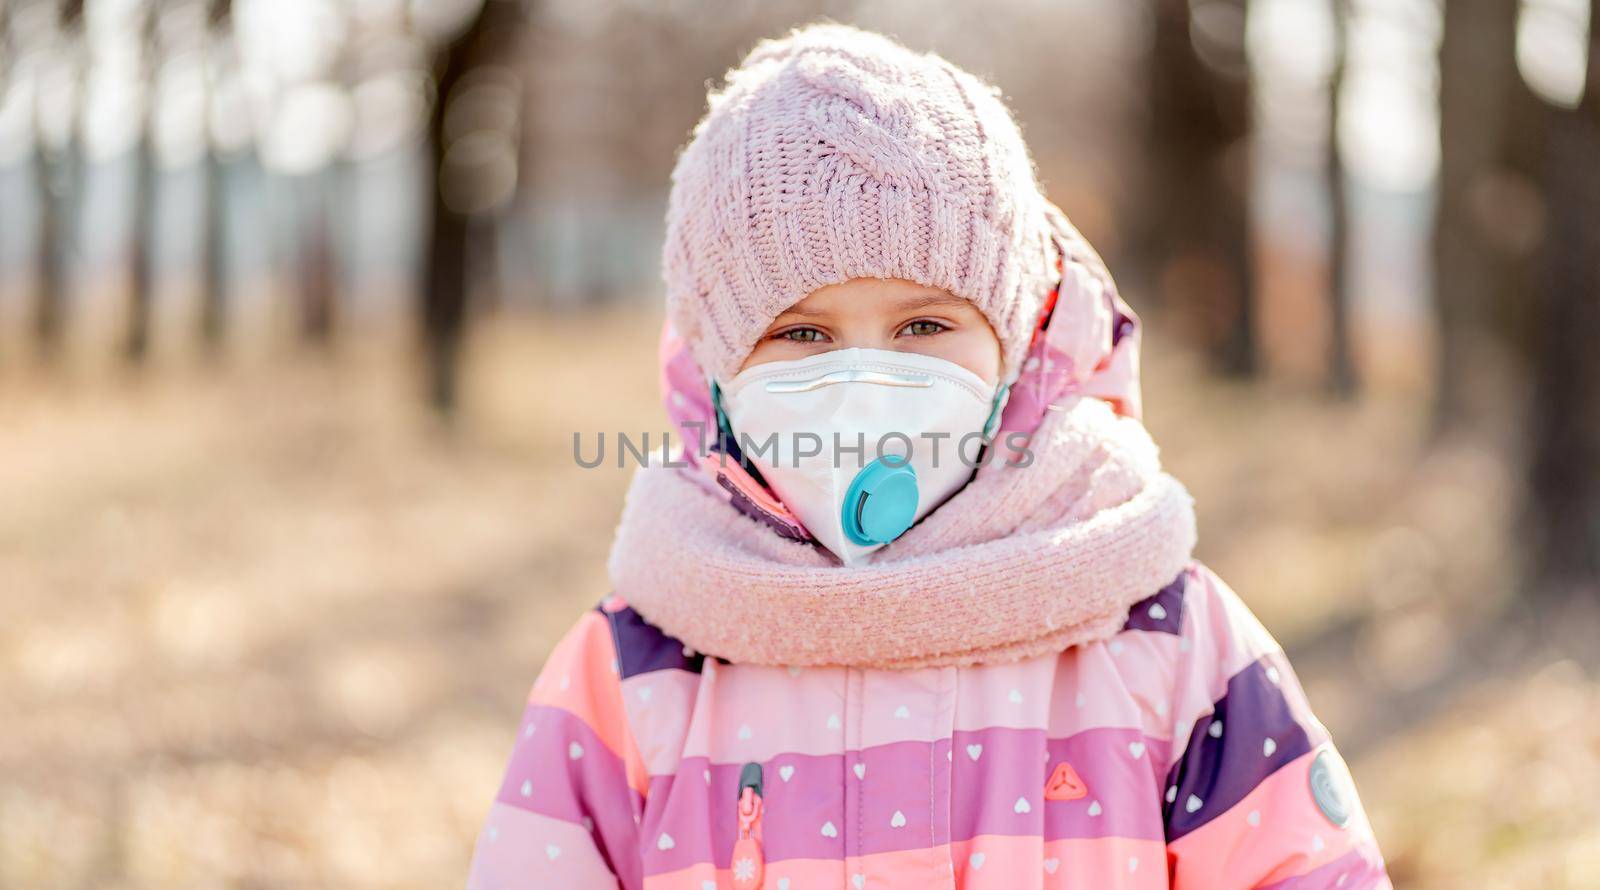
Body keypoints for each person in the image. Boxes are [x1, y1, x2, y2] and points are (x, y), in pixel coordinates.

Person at [467, 23, 1390, 889]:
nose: (868, 379)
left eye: (924, 323)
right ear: (716, 365)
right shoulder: (635, 673)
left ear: (1016, 343)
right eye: (801, 333)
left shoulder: (1163, 640)